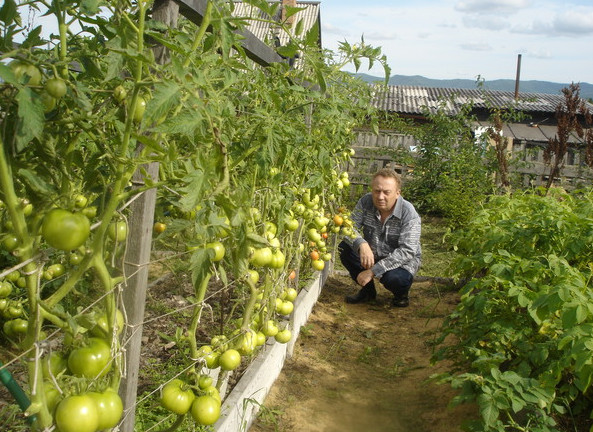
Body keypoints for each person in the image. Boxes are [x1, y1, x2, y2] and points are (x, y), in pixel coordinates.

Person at [339, 168, 421, 307]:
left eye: (386, 192)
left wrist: (373, 271)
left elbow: (407, 251)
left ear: (397, 193)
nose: (380, 196)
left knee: (395, 279)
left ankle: (401, 295)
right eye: (377, 191)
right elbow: (348, 228)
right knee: (345, 248)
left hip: (400, 262)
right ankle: (368, 292)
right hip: (373, 253)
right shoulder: (365, 202)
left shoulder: (408, 213)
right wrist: (361, 244)